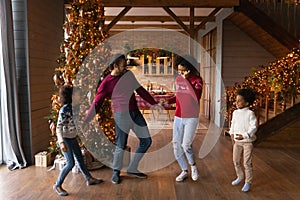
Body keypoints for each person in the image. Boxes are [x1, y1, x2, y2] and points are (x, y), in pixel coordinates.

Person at [84, 54, 162, 184]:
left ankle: (132, 168)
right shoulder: (106, 83)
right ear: (114, 66)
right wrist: (86, 120)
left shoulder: (128, 75)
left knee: (146, 141)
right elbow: (97, 103)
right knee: (121, 145)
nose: (125, 66)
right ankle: (116, 172)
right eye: (122, 64)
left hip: (135, 114)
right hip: (121, 116)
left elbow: (140, 90)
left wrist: (154, 104)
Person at [53, 85, 103, 196]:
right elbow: (58, 127)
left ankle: (89, 178)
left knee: (80, 159)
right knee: (70, 163)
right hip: (65, 140)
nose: (80, 96)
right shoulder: (64, 110)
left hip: (73, 138)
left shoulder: (76, 108)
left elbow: (76, 124)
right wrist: (61, 142)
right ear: (72, 96)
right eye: (78, 94)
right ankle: (57, 184)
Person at [165, 55, 203, 182]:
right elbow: (179, 96)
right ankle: (184, 170)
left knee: (186, 144)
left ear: (189, 69)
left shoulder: (197, 80)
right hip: (178, 116)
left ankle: (193, 166)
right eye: (179, 71)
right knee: (176, 145)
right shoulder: (179, 79)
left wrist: (186, 80)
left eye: (182, 71)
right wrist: (167, 100)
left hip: (191, 117)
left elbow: (195, 96)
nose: (180, 73)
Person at [229, 88, 257, 192]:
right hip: (237, 142)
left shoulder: (250, 113)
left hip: (247, 143)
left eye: (239, 100)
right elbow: (233, 123)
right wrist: (231, 133)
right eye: (236, 100)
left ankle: (248, 182)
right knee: (235, 161)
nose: (236, 103)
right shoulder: (235, 112)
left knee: (247, 163)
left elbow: (253, 127)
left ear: (247, 102)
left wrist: (245, 135)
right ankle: (240, 176)